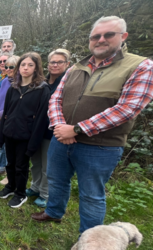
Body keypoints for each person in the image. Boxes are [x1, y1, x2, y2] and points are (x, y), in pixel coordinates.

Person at [31, 16, 153, 234]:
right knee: (56, 181)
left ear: (123, 36)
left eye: (108, 35)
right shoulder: (77, 67)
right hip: (62, 139)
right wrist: (61, 128)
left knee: (92, 195)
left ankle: (89, 238)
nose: (101, 39)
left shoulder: (140, 66)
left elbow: (127, 109)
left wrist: (76, 129)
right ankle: (54, 212)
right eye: (96, 36)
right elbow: (56, 99)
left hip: (100, 146)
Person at [0, 52, 50, 208]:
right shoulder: (14, 87)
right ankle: (10, 187)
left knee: (21, 166)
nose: (25, 68)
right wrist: (1, 136)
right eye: (23, 65)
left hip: (25, 136)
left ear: (36, 68)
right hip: (9, 132)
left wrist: (33, 143)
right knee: (10, 163)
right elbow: (6, 112)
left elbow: (41, 119)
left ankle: (20, 193)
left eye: (30, 65)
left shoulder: (42, 90)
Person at [26, 49, 71, 208]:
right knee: (35, 160)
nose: (55, 65)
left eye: (59, 62)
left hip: (51, 131)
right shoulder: (42, 81)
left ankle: (45, 194)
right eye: (52, 62)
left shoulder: (67, 83)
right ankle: (35, 187)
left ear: (67, 64)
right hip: (36, 127)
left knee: (47, 165)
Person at [0, 55, 20, 185]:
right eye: (6, 67)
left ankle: (10, 174)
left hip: (9, 120)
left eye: (11, 67)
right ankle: (1, 168)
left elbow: (16, 104)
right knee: (0, 145)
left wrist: (2, 113)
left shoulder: (20, 84)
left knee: (9, 149)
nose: (8, 69)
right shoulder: (4, 81)